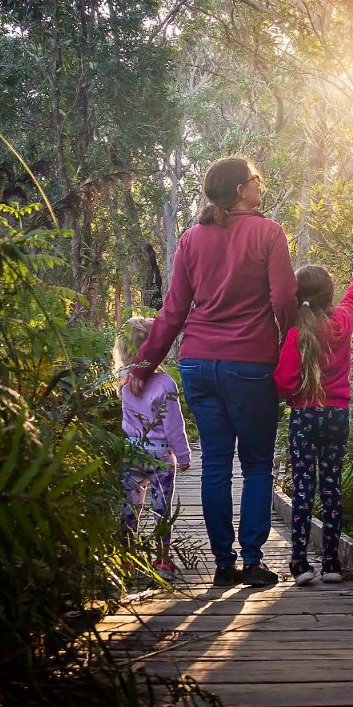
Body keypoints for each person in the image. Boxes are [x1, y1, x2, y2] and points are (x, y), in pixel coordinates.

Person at [128, 157, 297, 588]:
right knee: (258, 464)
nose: (261, 186)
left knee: (216, 464)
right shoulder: (269, 233)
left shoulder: (190, 240)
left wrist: (143, 367)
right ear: (242, 189)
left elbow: (172, 313)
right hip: (251, 364)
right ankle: (253, 561)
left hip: (198, 364)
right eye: (257, 180)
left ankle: (223, 565)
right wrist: (286, 348)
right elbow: (283, 302)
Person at [274, 251, 353, 585]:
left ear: (298, 296)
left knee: (303, 485)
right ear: (329, 295)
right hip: (337, 415)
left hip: (304, 416)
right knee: (331, 485)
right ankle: (331, 564)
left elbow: (283, 383)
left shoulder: (295, 334)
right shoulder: (341, 324)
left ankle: (301, 564)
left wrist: (295, 397)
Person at [115, 316, 191, 581]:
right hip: (160, 455)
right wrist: (183, 455)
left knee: (130, 507)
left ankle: (128, 560)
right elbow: (173, 425)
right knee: (161, 509)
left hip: (132, 451)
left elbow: (126, 420)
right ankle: (162, 562)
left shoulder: (124, 382)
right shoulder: (165, 383)